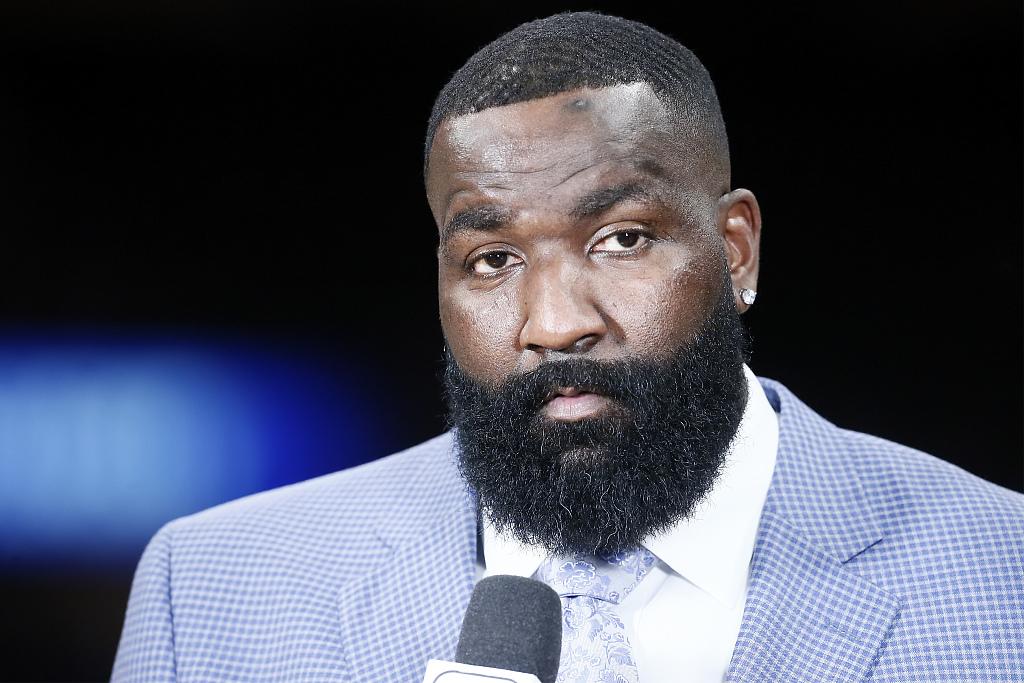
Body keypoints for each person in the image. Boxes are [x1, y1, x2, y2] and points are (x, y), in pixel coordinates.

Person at [112, 12, 1024, 682]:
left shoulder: (1000, 570)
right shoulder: (214, 590)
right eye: (493, 259)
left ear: (735, 249)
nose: (553, 322)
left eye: (621, 239)